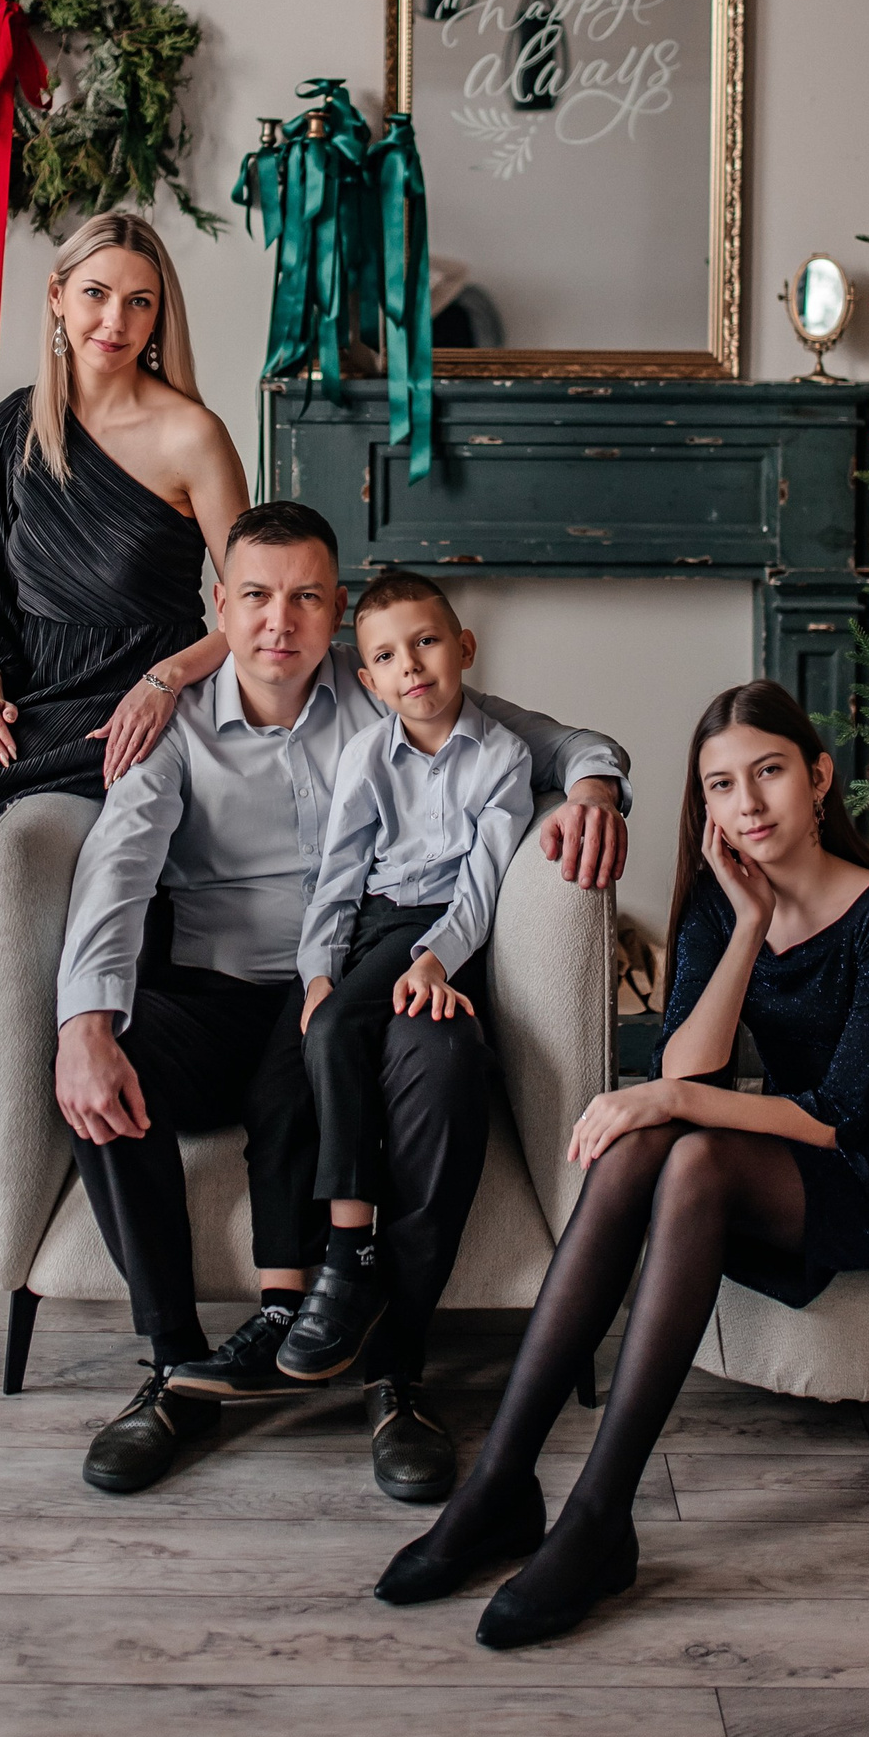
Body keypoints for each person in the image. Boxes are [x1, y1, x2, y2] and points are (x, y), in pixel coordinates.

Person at [53, 501, 630, 1502]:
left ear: (337, 612)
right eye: (257, 597)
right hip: (219, 991)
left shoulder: (383, 693)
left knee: (448, 1060)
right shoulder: (174, 729)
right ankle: (178, 1369)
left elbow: (563, 741)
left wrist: (595, 791)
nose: (280, 621)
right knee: (99, 1063)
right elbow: (115, 870)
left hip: (356, 984)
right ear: (221, 609)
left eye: (307, 598)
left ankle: (394, 1369)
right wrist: (85, 1021)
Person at [377, 677, 869, 1647]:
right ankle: (500, 1484)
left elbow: (840, 1116)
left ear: (819, 777)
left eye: (770, 773)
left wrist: (669, 1098)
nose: (748, 804)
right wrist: (746, 926)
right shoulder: (726, 900)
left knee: (689, 1157)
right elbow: (692, 1069)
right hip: (789, 1157)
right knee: (653, 1138)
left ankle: (600, 1515)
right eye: (722, 785)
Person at [0, 211, 249, 1296]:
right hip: (29, 706)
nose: (116, 319)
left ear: (161, 316)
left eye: (139, 301)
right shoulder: (12, 428)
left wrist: (167, 680)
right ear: (58, 300)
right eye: (96, 294)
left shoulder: (193, 434)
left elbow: (253, 604)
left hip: (132, 710)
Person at [280, 571, 533, 1384]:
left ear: (465, 647)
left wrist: (437, 958)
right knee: (329, 1025)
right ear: (369, 679)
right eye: (387, 656)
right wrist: (318, 971)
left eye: (426, 643)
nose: (411, 666)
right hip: (377, 927)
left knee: (371, 1037)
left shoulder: (504, 757)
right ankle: (347, 1252)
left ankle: (352, 1260)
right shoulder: (365, 755)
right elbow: (336, 878)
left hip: (451, 934)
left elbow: (482, 889)